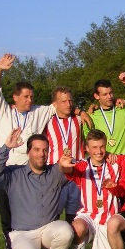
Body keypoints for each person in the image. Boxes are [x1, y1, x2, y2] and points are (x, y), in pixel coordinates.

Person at [0, 129, 74, 249]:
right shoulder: (13, 174)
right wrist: (7, 147)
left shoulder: (55, 172)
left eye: (45, 150)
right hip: (23, 233)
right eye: (36, 150)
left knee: (65, 230)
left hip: (48, 230)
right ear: (28, 152)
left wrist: (70, 165)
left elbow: (80, 167)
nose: (41, 154)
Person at [61, 130, 125, 249]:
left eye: (102, 147)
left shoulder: (116, 164)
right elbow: (68, 169)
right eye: (94, 147)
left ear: (106, 146)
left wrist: (114, 186)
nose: (99, 151)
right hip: (88, 216)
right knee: (77, 227)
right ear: (87, 149)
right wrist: (63, 166)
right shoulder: (82, 166)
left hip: (108, 220)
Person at [44, 86, 84, 223]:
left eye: (70, 101)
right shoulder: (46, 121)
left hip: (76, 172)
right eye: (63, 101)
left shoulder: (79, 119)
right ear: (54, 104)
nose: (68, 104)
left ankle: (75, 238)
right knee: (52, 214)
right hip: (55, 172)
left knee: (75, 215)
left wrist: (83, 111)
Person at [84, 79, 125, 155]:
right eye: (105, 94)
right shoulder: (91, 116)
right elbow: (89, 143)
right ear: (96, 96)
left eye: (111, 93)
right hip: (105, 160)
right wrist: (80, 112)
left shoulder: (124, 106)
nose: (109, 97)